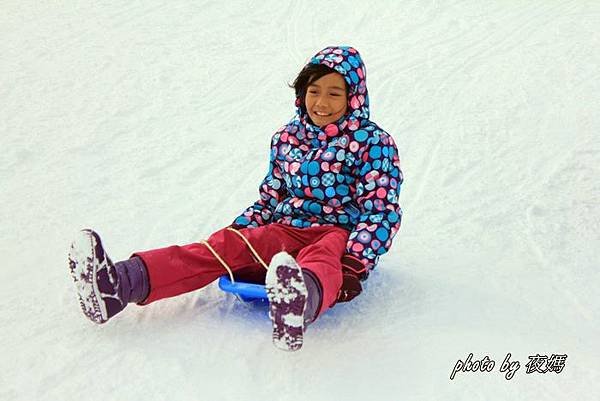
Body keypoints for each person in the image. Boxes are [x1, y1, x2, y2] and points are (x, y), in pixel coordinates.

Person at [68, 45, 404, 352]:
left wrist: (355, 262)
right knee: (220, 248)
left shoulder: (372, 143)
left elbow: (380, 210)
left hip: (338, 232)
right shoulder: (288, 138)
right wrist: (238, 233)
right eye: (314, 91)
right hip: (286, 228)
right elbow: (272, 197)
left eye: (334, 93)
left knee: (323, 256)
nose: (322, 103)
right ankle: (120, 284)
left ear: (353, 97)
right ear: (301, 94)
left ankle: (298, 303)